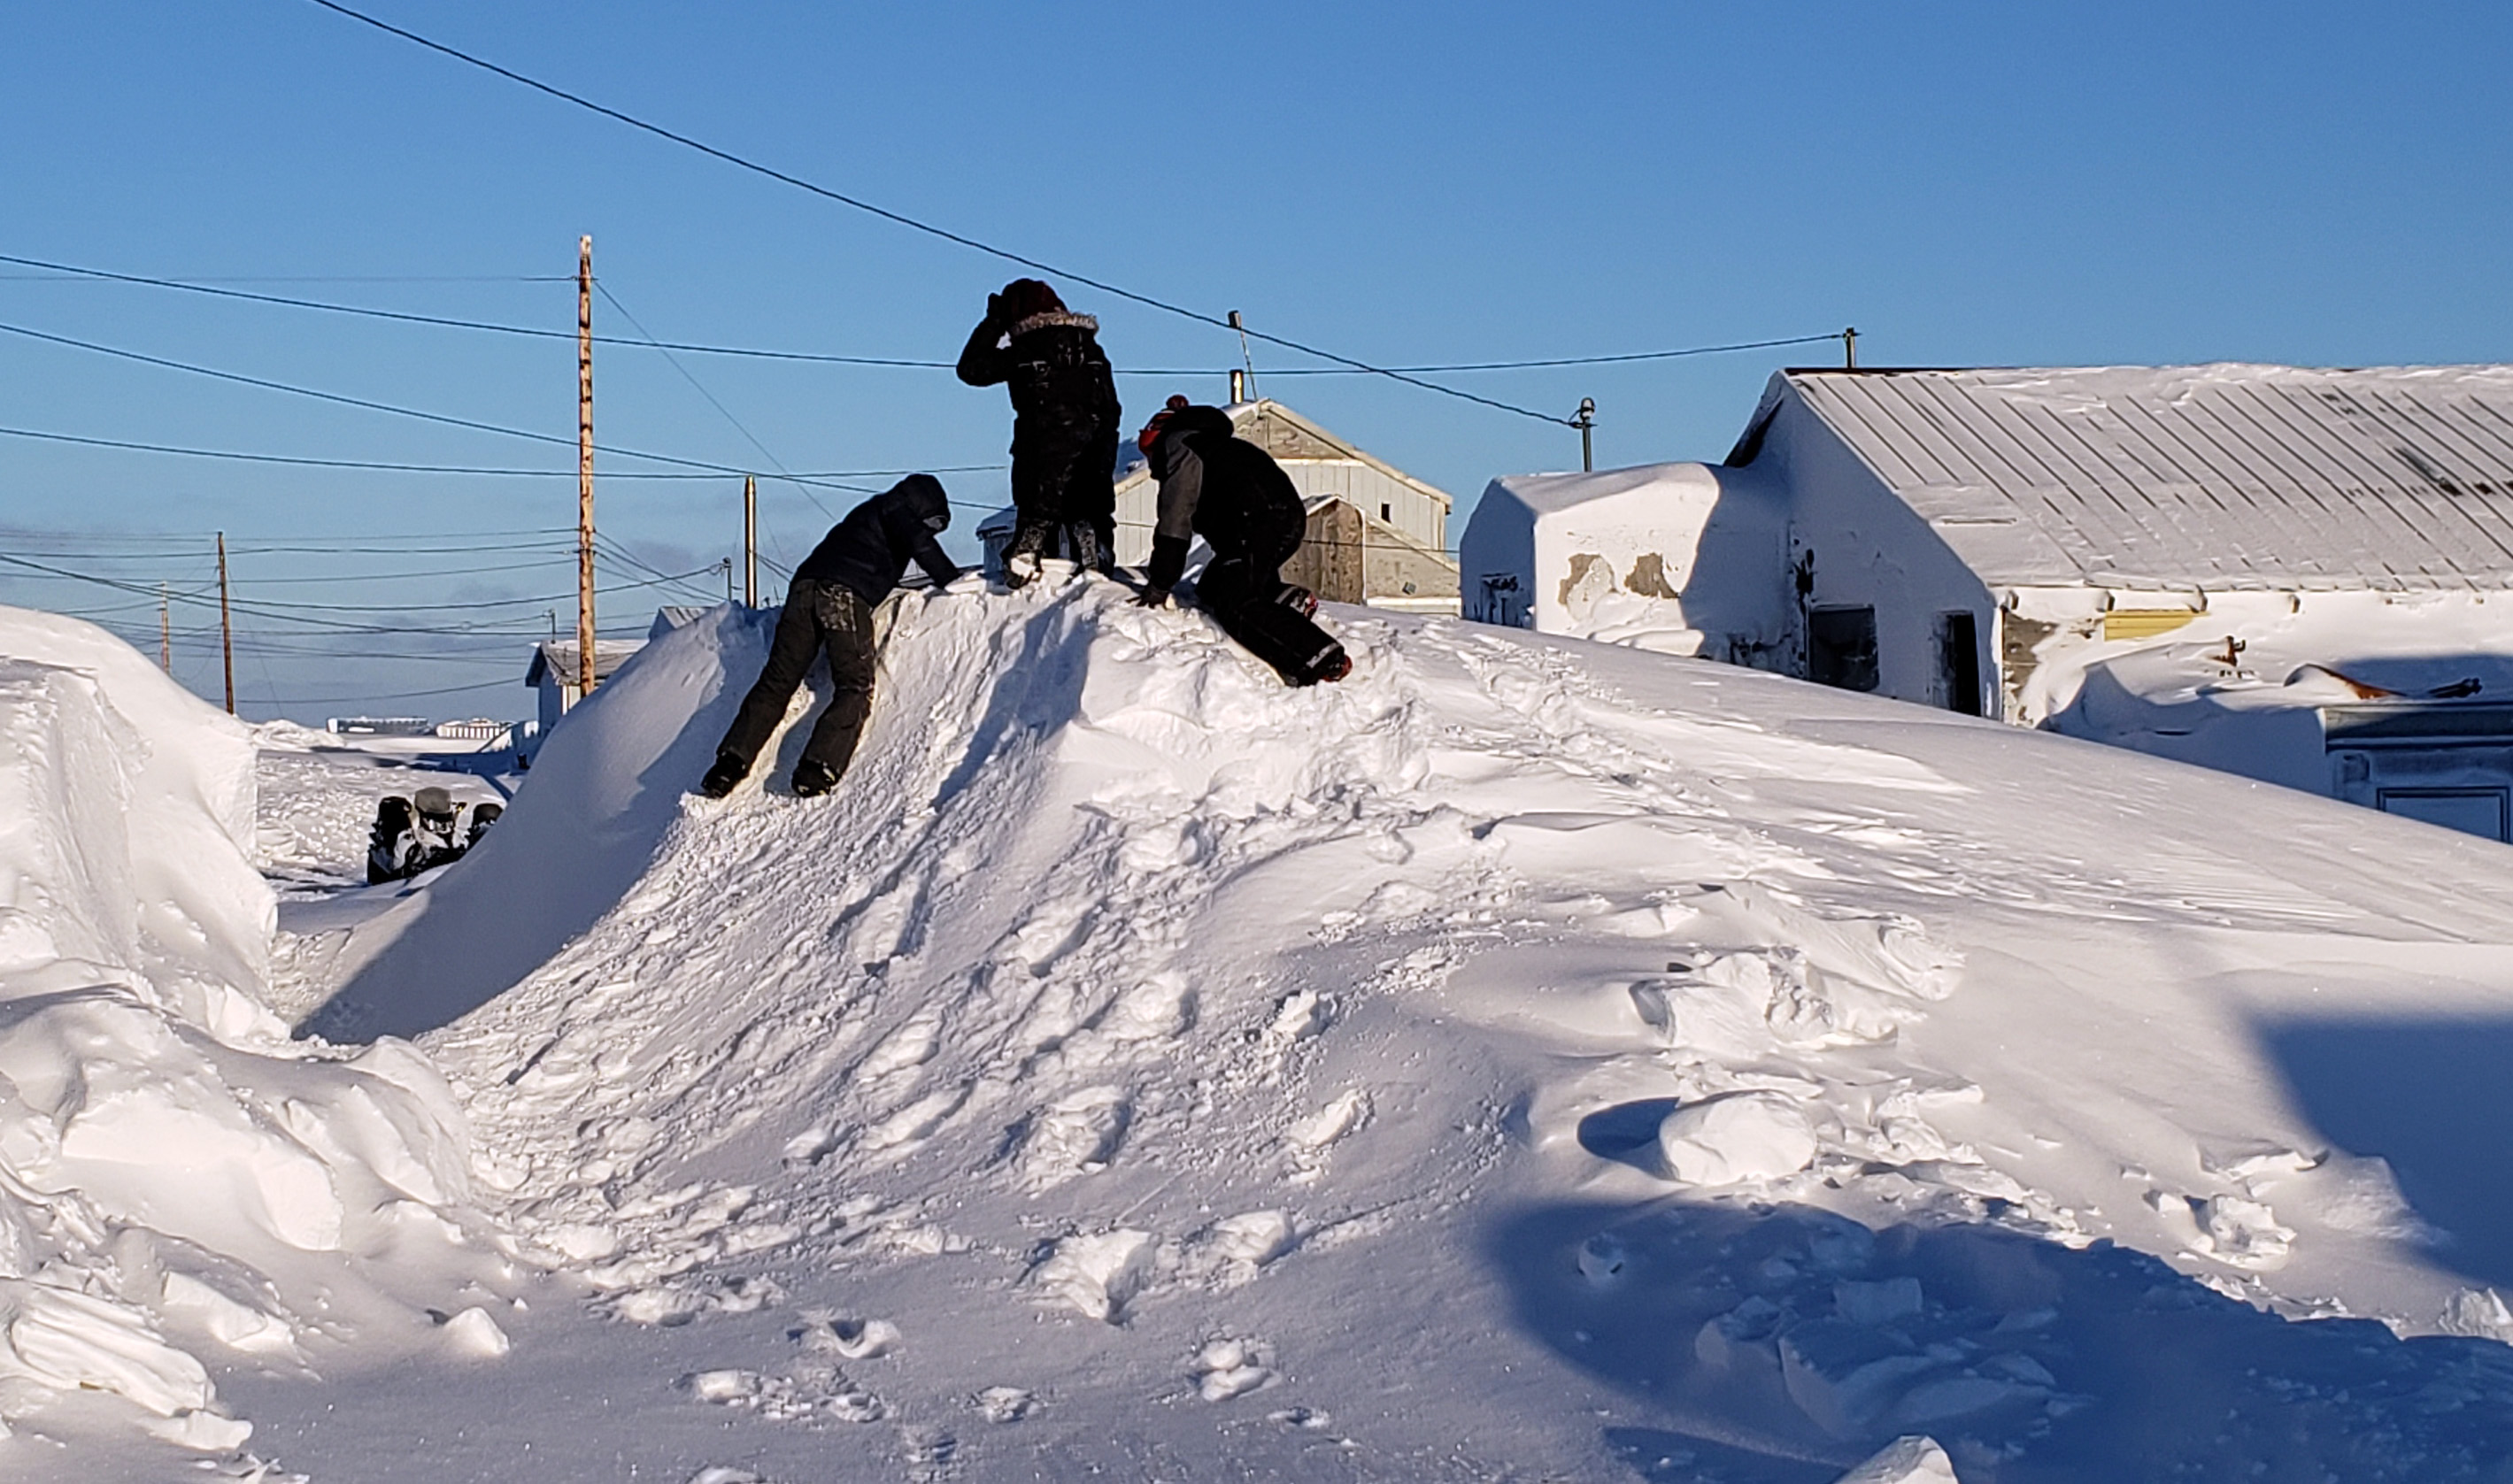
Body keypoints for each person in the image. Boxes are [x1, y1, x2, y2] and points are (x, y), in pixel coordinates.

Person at [700, 474, 964, 799]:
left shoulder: (868, 513)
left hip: (803, 589)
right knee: (855, 683)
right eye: (933, 522)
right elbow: (920, 545)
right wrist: (953, 582)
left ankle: (729, 764)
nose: (931, 529)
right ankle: (818, 766)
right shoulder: (896, 508)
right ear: (922, 503)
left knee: (778, 680)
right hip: (841, 595)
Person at [1133, 396, 1351, 687]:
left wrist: (1160, 584)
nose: (1151, 468)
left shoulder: (1180, 447)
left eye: (1149, 456)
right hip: (1280, 518)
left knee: (1234, 602)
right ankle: (1285, 601)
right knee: (1214, 587)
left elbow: (1176, 520)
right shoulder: (1218, 446)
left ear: (1156, 439)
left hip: (1257, 523)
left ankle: (1320, 656)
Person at [955, 279, 1121, 586]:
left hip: (1041, 441)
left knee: (1038, 503)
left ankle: (1027, 553)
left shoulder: (1025, 350)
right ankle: (1094, 552)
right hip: (1095, 442)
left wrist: (993, 323)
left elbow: (971, 370)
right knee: (1089, 505)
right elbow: (1112, 407)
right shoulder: (1093, 350)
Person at [366, 786, 501, 884]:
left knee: (487, 812)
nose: (443, 829)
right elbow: (398, 864)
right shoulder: (409, 841)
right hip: (411, 899)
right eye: (434, 825)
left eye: (447, 824)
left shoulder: (457, 839)